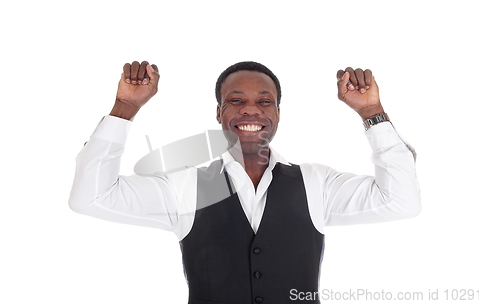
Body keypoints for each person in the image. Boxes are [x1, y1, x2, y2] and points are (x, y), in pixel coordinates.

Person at [69, 60, 421, 304]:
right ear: (219, 113)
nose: (250, 110)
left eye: (264, 102)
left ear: (278, 114)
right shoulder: (185, 188)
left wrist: (372, 114)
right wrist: (125, 108)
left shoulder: (316, 183)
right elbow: (90, 197)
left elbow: (402, 201)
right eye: (235, 101)